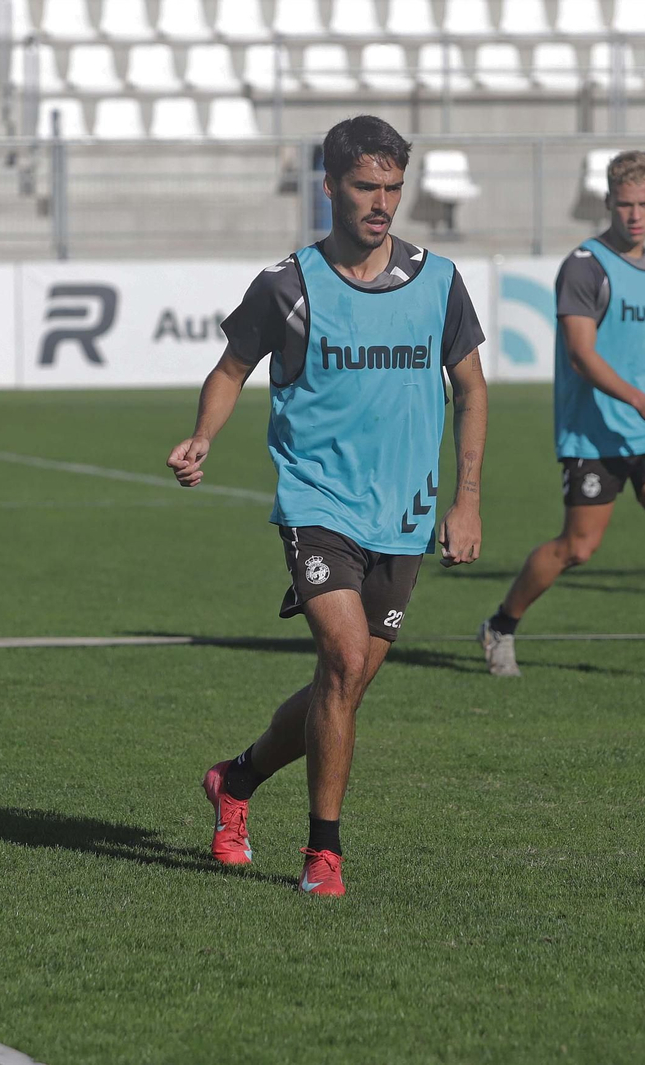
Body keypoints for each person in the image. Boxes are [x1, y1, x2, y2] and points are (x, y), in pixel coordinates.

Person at [168, 115, 489, 897]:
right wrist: (204, 434)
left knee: (338, 687)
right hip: (318, 502)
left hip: (406, 514)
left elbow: (472, 389)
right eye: (365, 187)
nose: (382, 202)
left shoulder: (440, 282)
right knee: (343, 661)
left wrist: (468, 498)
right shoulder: (288, 285)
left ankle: (235, 780)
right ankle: (324, 854)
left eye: (392, 187)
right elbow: (230, 367)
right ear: (331, 187)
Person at [478, 151, 645, 684]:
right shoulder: (584, 266)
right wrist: (638, 399)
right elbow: (581, 353)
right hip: (594, 430)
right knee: (578, 546)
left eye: (644, 204)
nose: (635, 215)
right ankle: (501, 625)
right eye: (624, 205)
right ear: (608, 204)